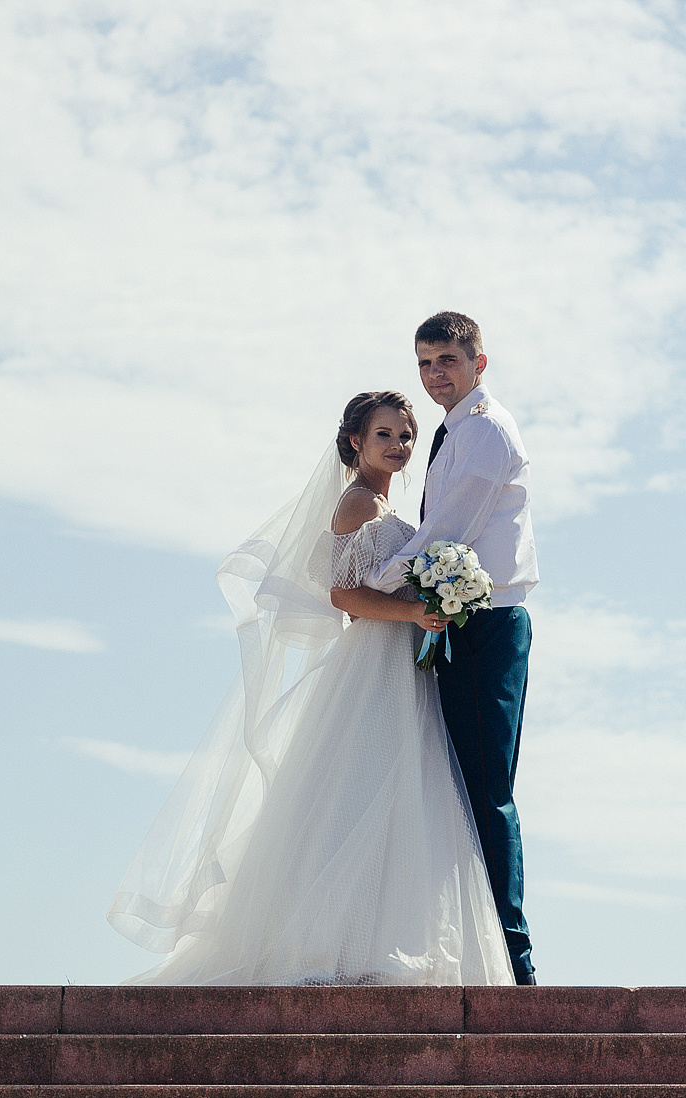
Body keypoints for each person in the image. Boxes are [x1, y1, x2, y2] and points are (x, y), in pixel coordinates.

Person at [106, 390, 514, 986]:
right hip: (375, 659)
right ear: (355, 442)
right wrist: (415, 615)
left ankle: (378, 937)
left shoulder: (385, 505)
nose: (399, 446)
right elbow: (342, 595)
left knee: (399, 796)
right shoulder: (356, 505)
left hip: (403, 660)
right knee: (363, 792)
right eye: (385, 435)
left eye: (405, 435)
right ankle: (335, 945)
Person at [360, 312, 538, 985]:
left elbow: (447, 530)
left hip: (487, 624)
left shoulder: (486, 430)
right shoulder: (452, 430)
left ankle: (512, 960)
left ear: (478, 363)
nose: (436, 374)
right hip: (455, 621)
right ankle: (469, 950)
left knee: (485, 789)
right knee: (453, 789)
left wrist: (372, 578)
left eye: (447, 361)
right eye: (425, 362)